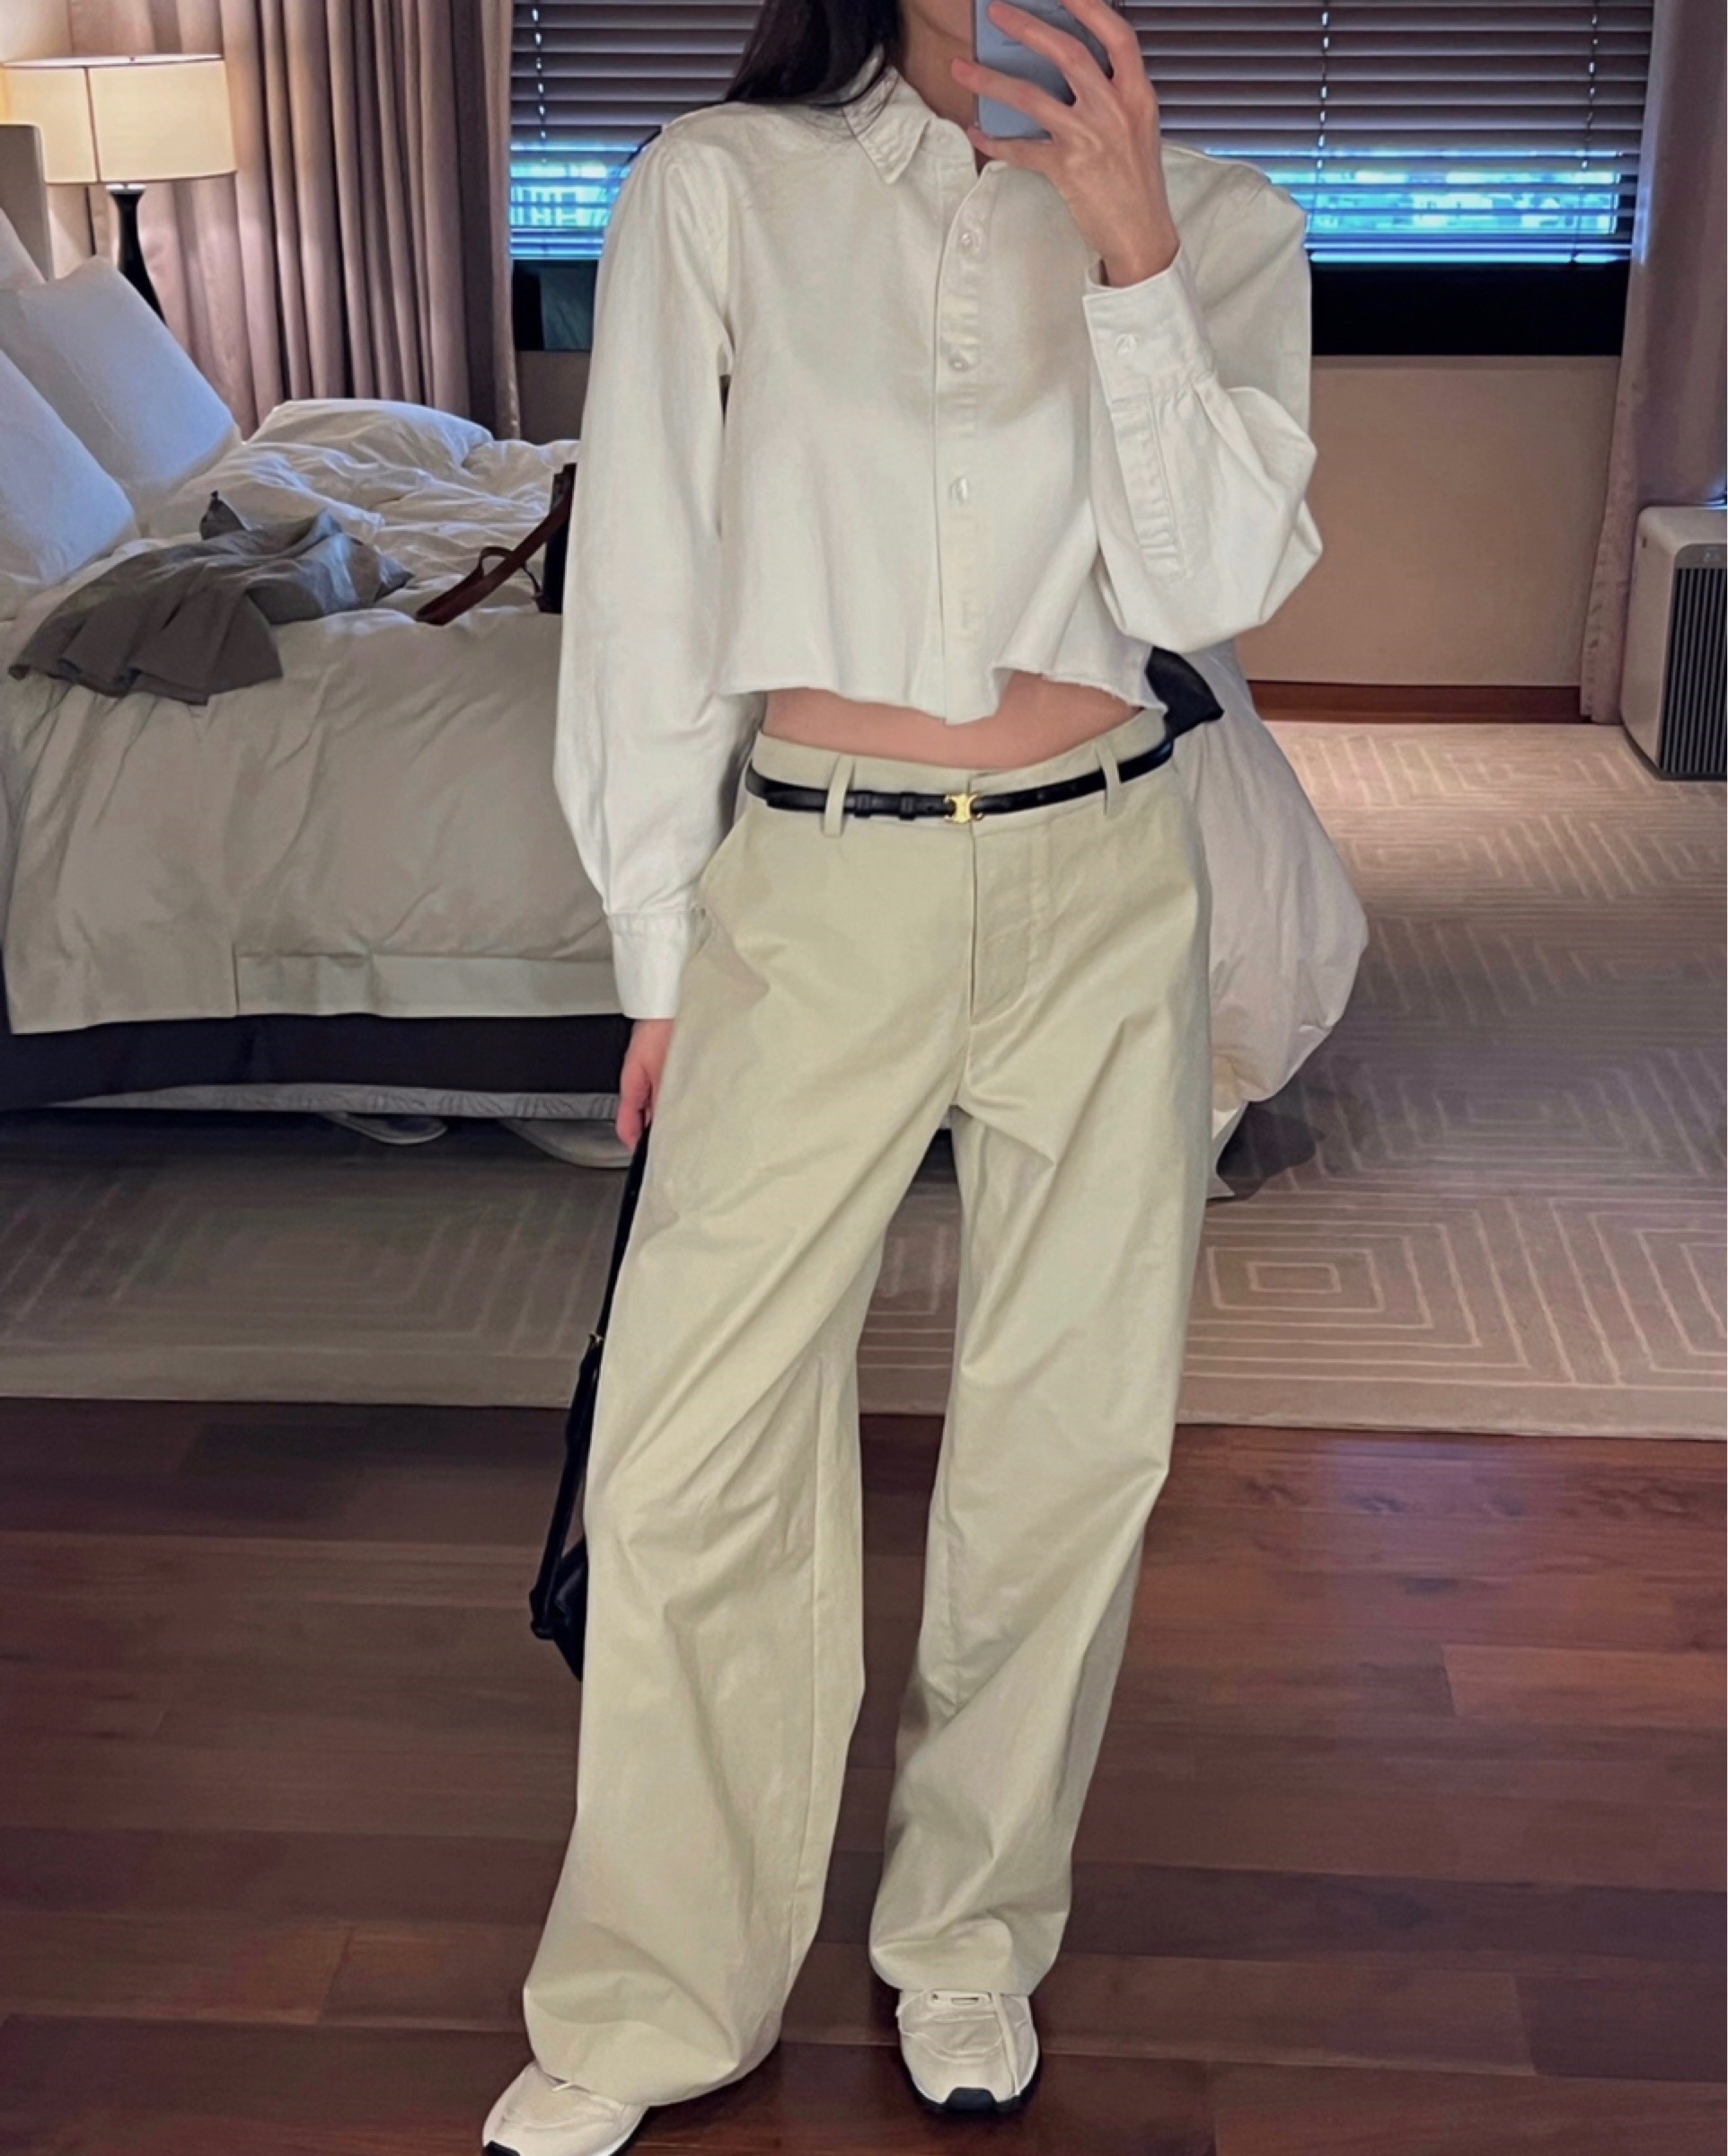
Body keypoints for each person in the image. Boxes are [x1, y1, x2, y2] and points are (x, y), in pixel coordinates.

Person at [484, 0, 1323, 2145]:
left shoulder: (1221, 218)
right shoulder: (717, 191)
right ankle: (653, 2004)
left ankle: (965, 1939)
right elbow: (645, 584)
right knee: (684, 1455)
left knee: (1069, 1443)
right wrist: (655, 952)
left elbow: (1209, 589)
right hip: (816, 879)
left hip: (1106, 874)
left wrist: (1130, 252)